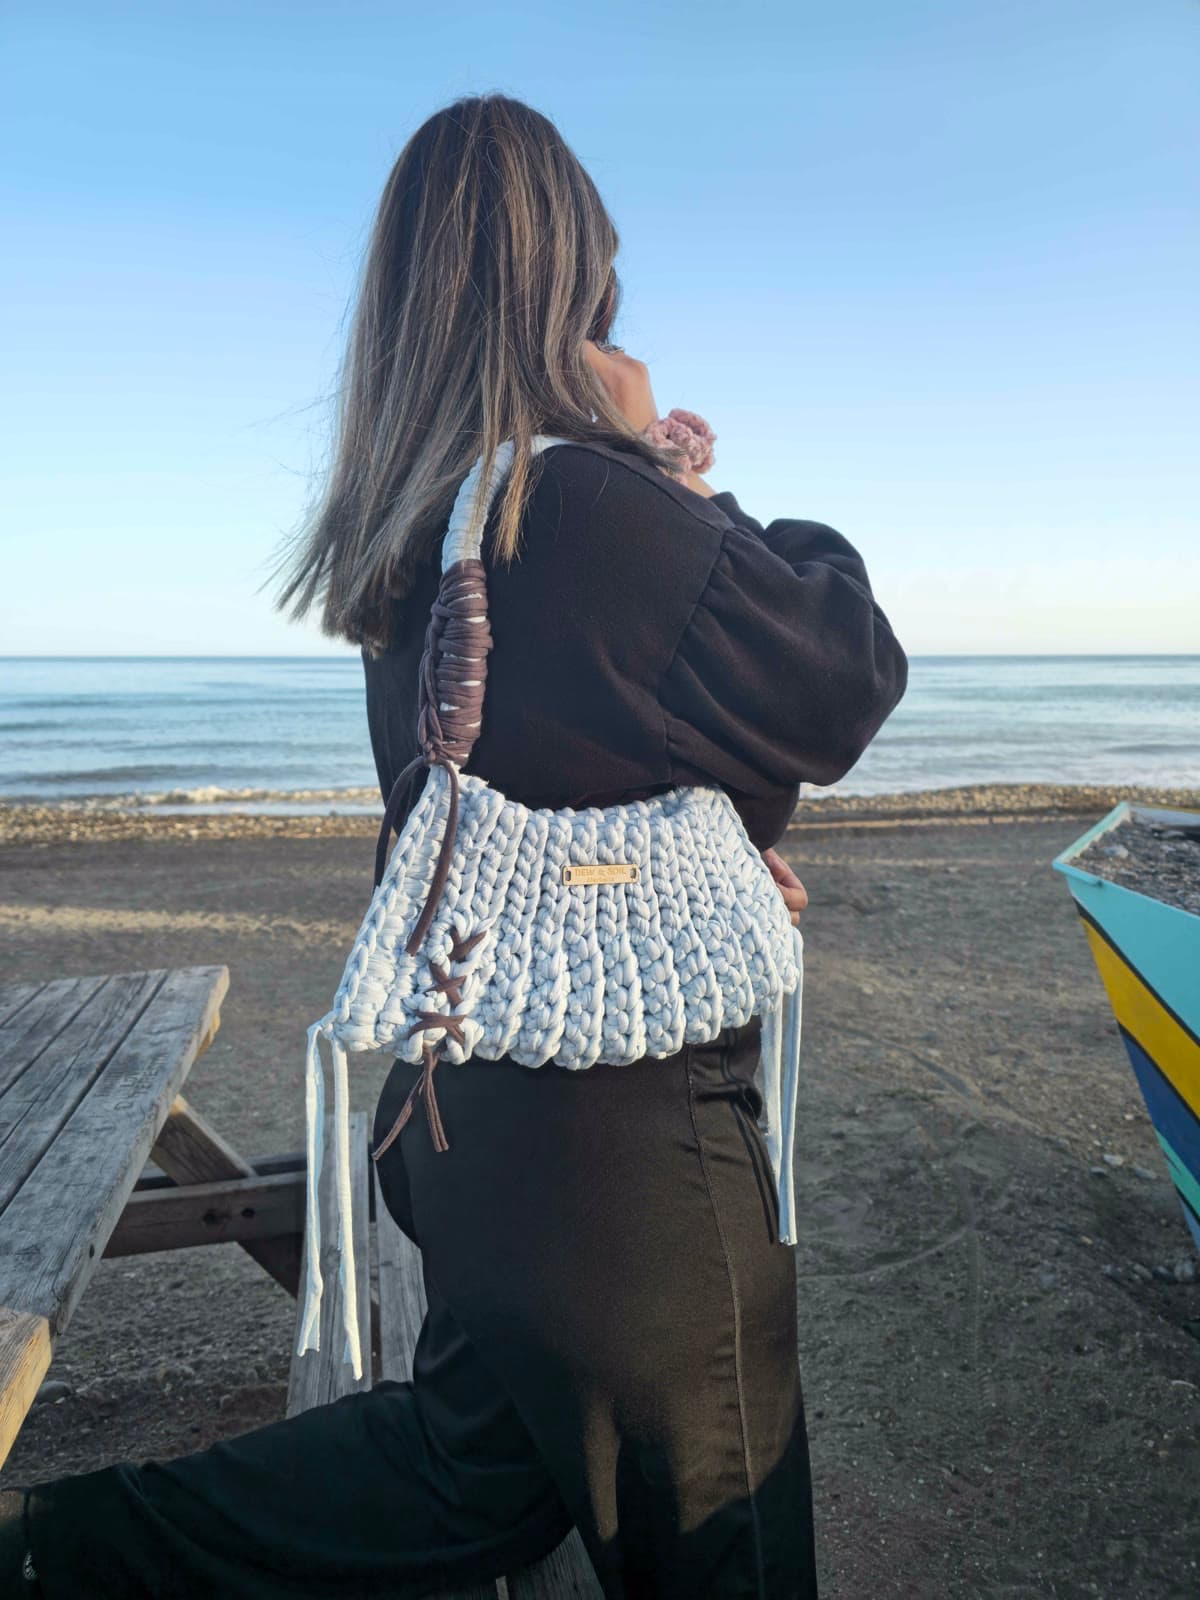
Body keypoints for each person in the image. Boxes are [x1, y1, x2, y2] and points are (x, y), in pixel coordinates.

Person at [3, 93, 907, 1598]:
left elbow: (595, 754)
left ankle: (55, 1556)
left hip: (470, 1125)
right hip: (636, 1151)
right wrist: (724, 498)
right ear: (570, 282)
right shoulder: (591, 509)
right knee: (726, 1554)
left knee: (458, 1482)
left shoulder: (418, 532)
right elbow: (839, 674)